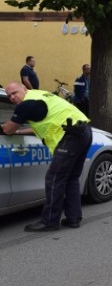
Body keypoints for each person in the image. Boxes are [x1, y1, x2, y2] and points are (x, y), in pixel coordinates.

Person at [1, 82, 92, 231]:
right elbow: (39, 125)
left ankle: (50, 221)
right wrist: (19, 132)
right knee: (71, 177)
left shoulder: (26, 105)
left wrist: (9, 129)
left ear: (25, 89)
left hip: (69, 136)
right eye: (9, 95)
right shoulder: (40, 96)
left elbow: (8, 129)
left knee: (54, 178)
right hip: (83, 131)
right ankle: (73, 218)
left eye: (14, 93)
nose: (12, 97)